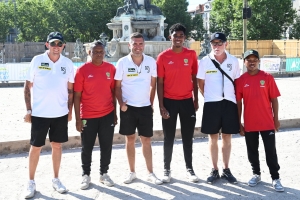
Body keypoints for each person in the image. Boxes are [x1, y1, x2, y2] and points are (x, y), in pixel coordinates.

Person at [23, 32, 74, 198]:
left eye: (60, 44)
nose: (56, 47)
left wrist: (69, 111)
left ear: (63, 46)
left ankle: (56, 179)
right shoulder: (37, 60)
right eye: (53, 44)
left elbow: (70, 90)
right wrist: (28, 110)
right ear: (47, 45)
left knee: (57, 146)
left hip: (60, 113)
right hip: (40, 113)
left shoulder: (68, 63)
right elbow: (27, 86)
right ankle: (30, 182)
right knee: (36, 147)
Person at [115, 32, 162, 185]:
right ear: (129, 45)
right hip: (128, 108)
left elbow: (153, 85)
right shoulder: (122, 62)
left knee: (146, 140)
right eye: (134, 43)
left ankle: (150, 172)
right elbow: (117, 87)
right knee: (129, 140)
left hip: (145, 108)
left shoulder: (151, 62)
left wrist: (150, 103)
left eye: (140, 43)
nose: (137, 46)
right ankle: (132, 172)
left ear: (144, 45)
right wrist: (121, 103)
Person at [236, 50, 284, 192]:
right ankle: (256, 174)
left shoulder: (267, 77)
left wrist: (276, 119)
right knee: (252, 151)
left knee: (270, 151)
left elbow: (274, 99)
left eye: (254, 59)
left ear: (258, 61)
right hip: (250, 123)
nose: (252, 62)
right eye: (248, 60)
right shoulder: (240, 80)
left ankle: (275, 177)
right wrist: (239, 123)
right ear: (244, 62)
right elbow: (238, 104)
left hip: (267, 123)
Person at [157, 23, 199, 183]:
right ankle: (166, 170)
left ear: (185, 38)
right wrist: (161, 105)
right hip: (169, 102)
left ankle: (190, 169)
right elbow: (159, 83)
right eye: (175, 35)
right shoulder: (163, 57)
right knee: (169, 138)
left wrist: (196, 98)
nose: (178, 38)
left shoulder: (191, 54)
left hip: (187, 101)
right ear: (170, 37)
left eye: (181, 35)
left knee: (188, 137)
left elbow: (194, 78)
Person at [197, 32, 240, 184]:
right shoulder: (204, 61)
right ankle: (214, 169)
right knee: (213, 137)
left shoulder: (234, 61)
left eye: (219, 43)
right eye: (214, 43)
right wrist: (209, 96)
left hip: (229, 102)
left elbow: (237, 82)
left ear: (225, 44)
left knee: (227, 137)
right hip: (211, 103)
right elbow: (200, 83)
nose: (217, 46)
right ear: (211, 45)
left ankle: (226, 169)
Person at [74, 41, 117, 189]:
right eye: (95, 51)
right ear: (89, 53)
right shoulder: (81, 70)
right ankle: (85, 175)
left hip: (107, 114)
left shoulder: (111, 68)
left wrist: (115, 113)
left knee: (107, 146)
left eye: (101, 52)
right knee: (87, 147)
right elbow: (77, 96)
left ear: (104, 53)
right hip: (88, 116)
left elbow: (113, 92)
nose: (98, 54)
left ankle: (104, 173)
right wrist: (78, 119)